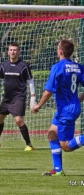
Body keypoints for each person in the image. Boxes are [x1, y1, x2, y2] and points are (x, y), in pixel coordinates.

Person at [32, 39, 84, 176]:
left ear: (60, 51)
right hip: (69, 108)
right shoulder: (79, 67)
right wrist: (78, 100)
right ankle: (58, 170)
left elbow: (49, 91)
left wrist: (38, 105)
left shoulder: (58, 67)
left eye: (57, 48)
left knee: (65, 146)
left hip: (66, 110)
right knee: (52, 133)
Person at [0, 42, 36, 151]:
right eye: (11, 50)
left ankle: (29, 145)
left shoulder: (24, 66)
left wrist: (33, 97)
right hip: (7, 98)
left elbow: (31, 81)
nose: (13, 52)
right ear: (8, 52)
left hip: (19, 97)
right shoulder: (4, 65)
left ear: (19, 52)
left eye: (15, 50)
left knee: (19, 120)